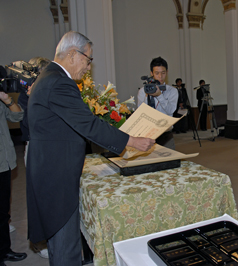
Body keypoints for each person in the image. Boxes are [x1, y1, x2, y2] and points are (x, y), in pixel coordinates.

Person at [26, 31, 154, 266]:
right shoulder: (59, 82)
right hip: (57, 175)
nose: (88, 67)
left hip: (49, 167)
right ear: (73, 55)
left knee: (60, 242)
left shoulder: (49, 77)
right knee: (65, 245)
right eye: (88, 59)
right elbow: (89, 125)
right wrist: (132, 141)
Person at [17, 57, 51, 259]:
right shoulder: (25, 96)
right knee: (37, 197)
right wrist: (32, 99)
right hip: (35, 147)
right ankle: (39, 243)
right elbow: (30, 125)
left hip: (51, 149)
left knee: (50, 197)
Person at [0, 92, 27, 266]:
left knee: (2, 210)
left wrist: (6, 99)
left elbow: (17, 115)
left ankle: (4, 250)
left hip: (4, 161)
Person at [137, 56, 178, 149]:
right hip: (147, 134)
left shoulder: (172, 91)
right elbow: (141, 113)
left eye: (163, 73)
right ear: (151, 73)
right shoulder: (143, 91)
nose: (160, 76)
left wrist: (159, 95)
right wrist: (148, 94)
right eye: (157, 73)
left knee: (169, 161)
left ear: (167, 72)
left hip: (165, 133)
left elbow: (170, 110)